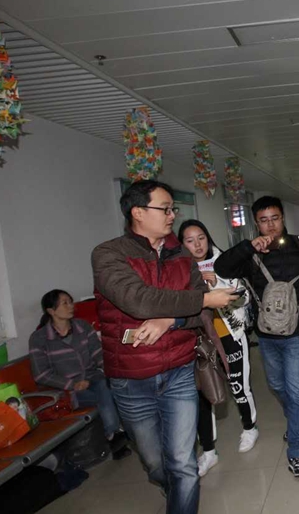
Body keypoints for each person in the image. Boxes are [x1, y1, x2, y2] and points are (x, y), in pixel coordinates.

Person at [92, 180, 237, 514]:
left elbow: (202, 313)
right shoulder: (108, 254)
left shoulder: (181, 256)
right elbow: (138, 301)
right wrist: (201, 300)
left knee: (183, 463)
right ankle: (174, 491)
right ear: (138, 212)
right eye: (165, 208)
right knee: (156, 463)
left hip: (179, 370)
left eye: (173, 209)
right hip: (131, 378)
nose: (173, 215)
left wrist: (169, 320)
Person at [215, 196, 299, 478]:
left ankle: (297, 450)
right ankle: (296, 420)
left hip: (298, 331)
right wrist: (248, 246)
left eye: (275, 218)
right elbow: (221, 268)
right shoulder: (252, 253)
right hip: (266, 333)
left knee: (298, 392)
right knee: (277, 384)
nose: (271, 225)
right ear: (256, 223)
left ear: (283, 218)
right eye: (264, 221)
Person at [179, 220, 259, 477]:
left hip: (229, 335)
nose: (197, 245)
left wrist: (216, 287)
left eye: (201, 238)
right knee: (203, 394)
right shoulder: (178, 270)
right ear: (182, 244)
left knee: (238, 385)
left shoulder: (223, 261)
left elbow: (244, 297)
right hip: (199, 342)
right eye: (190, 240)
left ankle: (250, 427)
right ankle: (209, 451)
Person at [29, 289, 132, 461]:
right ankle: (115, 435)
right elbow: (41, 374)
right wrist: (72, 384)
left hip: (93, 379)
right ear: (51, 310)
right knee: (107, 396)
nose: (71, 306)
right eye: (65, 303)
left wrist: (110, 370)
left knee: (108, 387)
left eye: (71, 301)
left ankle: (113, 435)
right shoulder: (39, 339)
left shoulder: (82, 327)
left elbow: (98, 354)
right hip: (65, 390)